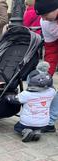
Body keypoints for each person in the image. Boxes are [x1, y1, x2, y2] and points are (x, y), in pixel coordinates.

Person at [7, 66, 56, 142]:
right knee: (37, 126)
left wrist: (8, 97)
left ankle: (26, 132)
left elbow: (14, 99)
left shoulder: (26, 94)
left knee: (17, 127)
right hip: (43, 123)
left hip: (27, 122)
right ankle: (37, 132)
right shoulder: (51, 92)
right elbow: (52, 87)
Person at [34, 0, 58, 133]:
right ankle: (49, 122)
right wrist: (48, 73)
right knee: (49, 86)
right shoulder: (45, 22)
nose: (43, 18)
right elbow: (51, 49)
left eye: (45, 14)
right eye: (41, 15)